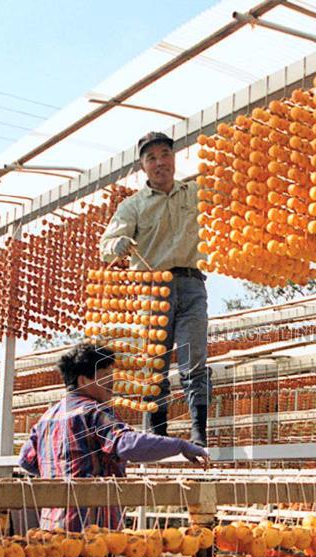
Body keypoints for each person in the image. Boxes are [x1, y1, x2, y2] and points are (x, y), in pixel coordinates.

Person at [18, 342, 208, 531]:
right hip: (91, 532)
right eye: (106, 375)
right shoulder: (93, 412)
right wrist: (180, 446)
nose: (113, 381)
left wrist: (60, 475)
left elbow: (26, 461)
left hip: (51, 527)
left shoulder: (45, 419)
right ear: (83, 380)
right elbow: (126, 444)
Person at [99, 130, 210, 446]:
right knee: (154, 363)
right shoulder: (132, 207)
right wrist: (116, 244)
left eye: (164, 155)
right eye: (151, 158)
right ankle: (155, 435)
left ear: (174, 159)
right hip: (152, 288)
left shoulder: (195, 193)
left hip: (192, 284)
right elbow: (105, 246)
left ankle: (199, 434)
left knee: (195, 360)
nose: (160, 162)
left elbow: (228, 200)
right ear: (143, 167)